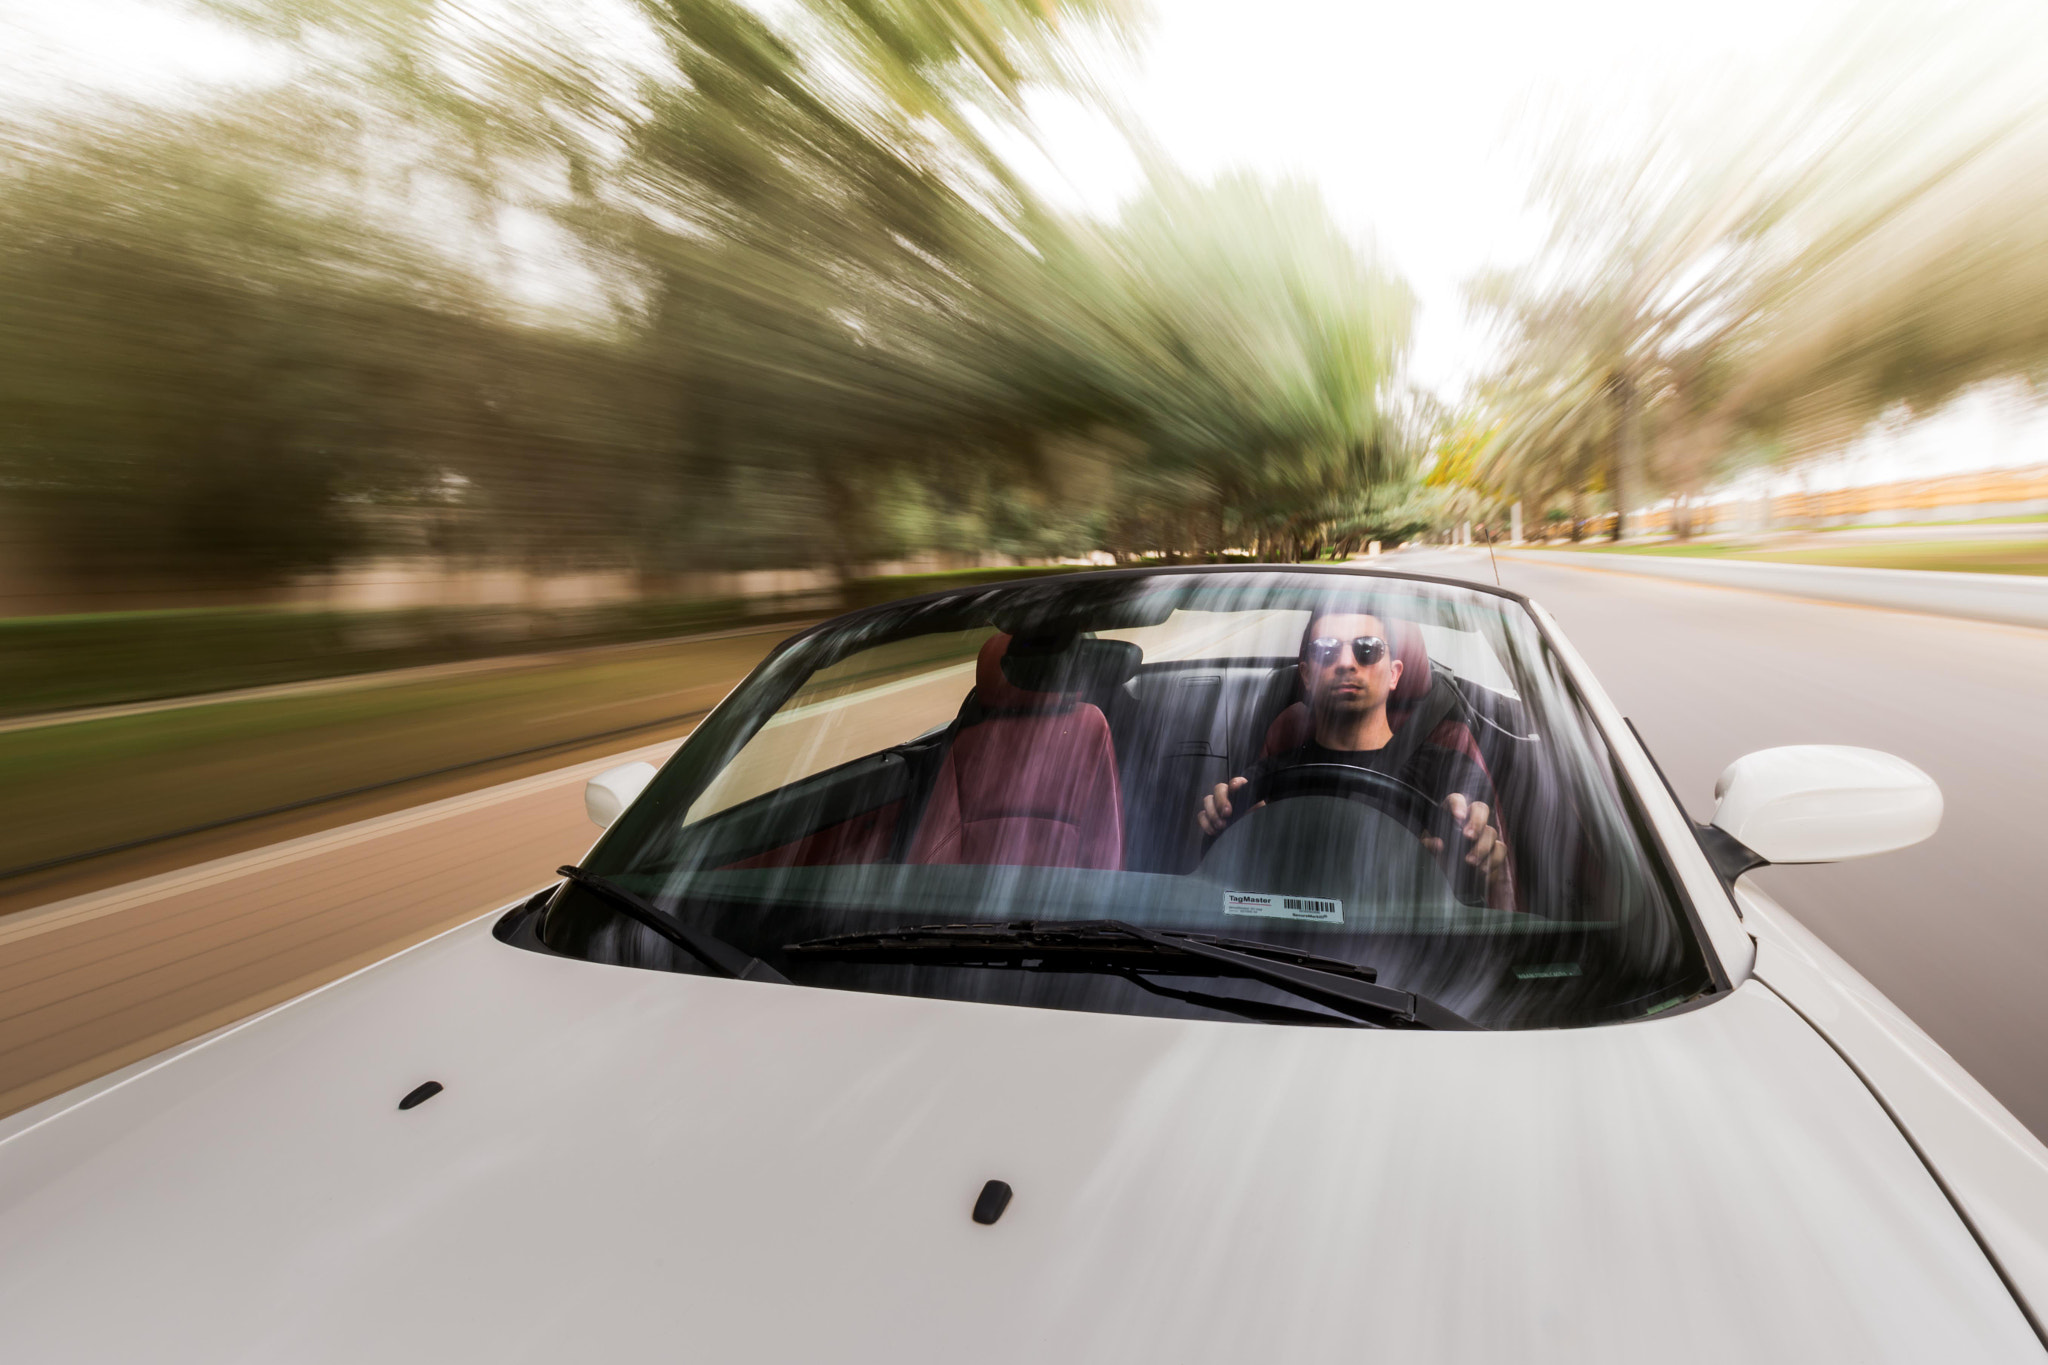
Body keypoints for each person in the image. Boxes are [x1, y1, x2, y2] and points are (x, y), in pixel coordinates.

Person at [1197, 608, 1511, 899]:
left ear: (1394, 674)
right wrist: (1222, 823)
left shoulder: (1451, 770)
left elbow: (1485, 860)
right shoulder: (1269, 778)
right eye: (1326, 650)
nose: (1346, 662)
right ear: (1307, 676)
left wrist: (1472, 846)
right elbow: (1218, 883)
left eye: (1368, 649)